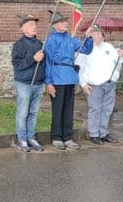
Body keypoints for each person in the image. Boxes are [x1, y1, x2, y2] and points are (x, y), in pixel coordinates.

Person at [44, 11, 93, 150]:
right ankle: (56, 137)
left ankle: (67, 137)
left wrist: (88, 37)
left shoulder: (71, 38)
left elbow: (86, 49)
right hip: (57, 77)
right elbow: (47, 62)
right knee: (58, 109)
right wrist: (48, 82)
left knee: (68, 109)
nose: (66, 23)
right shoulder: (51, 40)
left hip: (70, 77)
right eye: (62, 21)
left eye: (65, 21)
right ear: (54, 25)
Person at [75, 25, 123, 145]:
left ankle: (103, 132)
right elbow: (79, 67)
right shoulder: (84, 49)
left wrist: (121, 55)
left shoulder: (108, 47)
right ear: (89, 35)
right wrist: (83, 84)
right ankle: (94, 134)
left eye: (100, 33)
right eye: (94, 33)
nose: (98, 35)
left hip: (109, 83)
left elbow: (118, 61)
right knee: (95, 109)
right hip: (94, 84)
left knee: (107, 109)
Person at [11, 13, 46, 152]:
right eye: (31, 24)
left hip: (38, 83)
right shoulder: (18, 45)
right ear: (23, 28)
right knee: (23, 113)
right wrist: (33, 59)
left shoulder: (39, 44)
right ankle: (22, 140)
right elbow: (17, 65)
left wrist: (43, 79)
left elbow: (43, 65)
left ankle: (31, 137)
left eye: (35, 24)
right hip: (24, 83)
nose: (34, 27)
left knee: (33, 112)